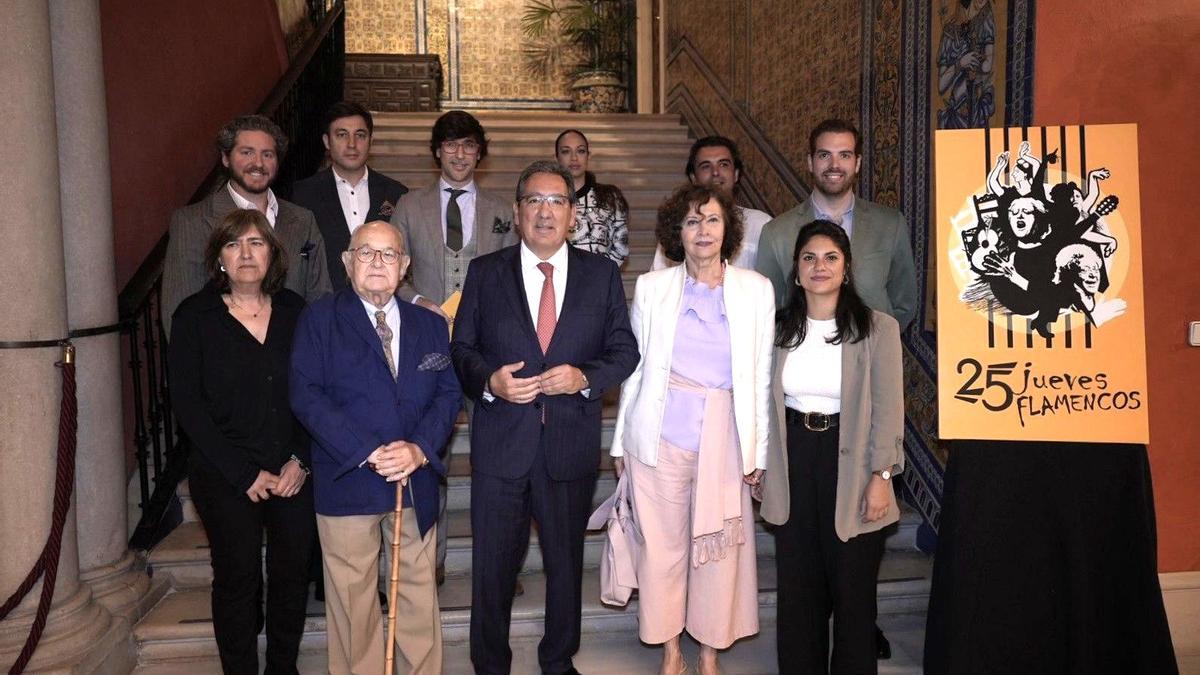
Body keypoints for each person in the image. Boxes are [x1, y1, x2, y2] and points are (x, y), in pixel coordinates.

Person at [450, 160, 639, 675]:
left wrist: (582, 376)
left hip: (568, 447)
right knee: (492, 569)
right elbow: (461, 348)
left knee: (563, 564)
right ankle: (490, 664)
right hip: (500, 447)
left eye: (557, 201)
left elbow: (625, 352)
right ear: (516, 212)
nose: (545, 211)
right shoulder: (486, 273)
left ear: (573, 215)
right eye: (534, 200)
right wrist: (490, 381)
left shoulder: (600, 275)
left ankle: (558, 661)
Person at [610, 183, 773, 675]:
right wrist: (620, 441)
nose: (703, 230)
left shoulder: (755, 289)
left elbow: (761, 377)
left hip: (726, 439)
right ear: (675, 234)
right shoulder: (653, 287)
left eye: (713, 220)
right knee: (662, 550)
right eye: (692, 221)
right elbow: (635, 371)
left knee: (716, 550)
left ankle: (708, 652)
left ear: (730, 230)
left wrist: (758, 454)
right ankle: (670, 651)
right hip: (658, 438)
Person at [289, 220, 462, 674]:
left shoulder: (429, 324)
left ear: (405, 265)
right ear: (347, 263)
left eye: (389, 254)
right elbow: (306, 395)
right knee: (353, 600)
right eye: (366, 253)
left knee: (417, 593)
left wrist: (420, 449)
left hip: (415, 478)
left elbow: (447, 394)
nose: (378, 263)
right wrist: (368, 450)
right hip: (349, 477)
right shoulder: (320, 319)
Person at [168, 209, 316, 675]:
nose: (247, 254)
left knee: (292, 577)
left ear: (273, 254)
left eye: (257, 243)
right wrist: (243, 472)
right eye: (234, 244)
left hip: (291, 467)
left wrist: (300, 459)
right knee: (238, 578)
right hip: (224, 473)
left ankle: (282, 668)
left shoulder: (296, 311)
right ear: (219, 259)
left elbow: (316, 392)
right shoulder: (194, 316)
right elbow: (189, 406)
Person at [760, 220, 905, 675]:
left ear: (847, 268)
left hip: (855, 461)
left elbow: (888, 406)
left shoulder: (878, 329)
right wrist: (757, 464)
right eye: (809, 258)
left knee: (853, 595)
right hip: (794, 459)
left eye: (830, 258)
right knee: (799, 594)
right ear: (796, 272)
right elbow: (759, 401)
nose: (819, 267)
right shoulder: (775, 329)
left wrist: (882, 476)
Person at [390, 109, 518, 584]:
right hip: (426, 347)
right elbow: (388, 272)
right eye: (451, 145)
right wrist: (420, 300)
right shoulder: (408, 206)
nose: (460, 154)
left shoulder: (503, 210)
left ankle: (498, 562)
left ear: (479, 153)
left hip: (486, 349)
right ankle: (432, 560)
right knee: (428, 451)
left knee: (497, 458)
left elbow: (515, 277)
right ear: (437, 152)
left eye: (469, 145)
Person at [162, 114, 332, 334]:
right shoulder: (192, 222)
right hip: (225, 362)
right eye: (247, 152)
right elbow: (179, 315)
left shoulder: (303, 220)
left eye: (267, 154)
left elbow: (321, 299)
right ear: (225, 158)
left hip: (295, 357)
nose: (258, 163)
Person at [756, 119, 917, 332]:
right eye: (824, 155)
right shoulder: (776, 233)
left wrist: (877, 343)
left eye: (845, 155)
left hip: (870, 357)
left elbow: (903, 304)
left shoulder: (890, 225)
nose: (834, 165)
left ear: (857, 163)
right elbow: (768, 310)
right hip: (805, 357)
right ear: (810, 162)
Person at [291, 101, 408, 292]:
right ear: (327, 141)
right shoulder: (303, 194)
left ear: (371, 140)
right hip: (324, 310)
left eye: (360, 135)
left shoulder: (396, 193)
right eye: (342, 135)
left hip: (383, 306)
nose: (352, 144)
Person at [651, 135, 772, 270]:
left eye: (723, 164)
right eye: (706, 166)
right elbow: (660, 279)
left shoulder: (762, 224)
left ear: (736, 174)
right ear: (693, 178)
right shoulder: (678, 225)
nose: (715, 172)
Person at [554, 128, 630, 265]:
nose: (574, 158)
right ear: (557, 157)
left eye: (580, 151)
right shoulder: (548, 199)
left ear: (588, 156)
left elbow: (621, 248)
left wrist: (598, 276)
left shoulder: (610, 198)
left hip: (599, 281)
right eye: (566, 151)